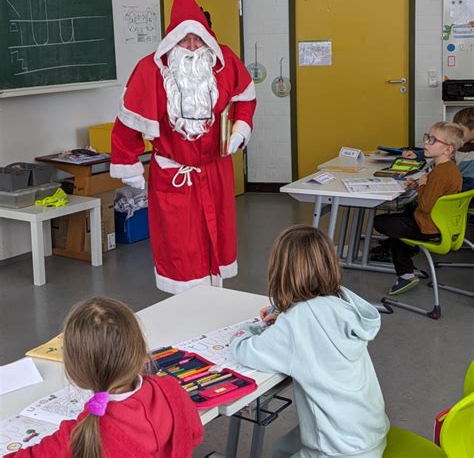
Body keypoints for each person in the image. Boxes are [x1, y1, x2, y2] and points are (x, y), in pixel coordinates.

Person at [111, 0, 256, 293]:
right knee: (180, 248)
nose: (191, 46)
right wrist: (129, 163)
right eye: (185, 38)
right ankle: (184, 312)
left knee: (215, 239)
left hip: (215, 171)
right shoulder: (150, 70)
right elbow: (127, 123)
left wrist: (240, 129)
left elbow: (246, 98)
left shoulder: (225, 62)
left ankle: (213, 306)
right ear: (172, 39)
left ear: (208, 38)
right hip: (173, 175)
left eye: (198, 38)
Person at [230, 225, 389, 458]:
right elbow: (310, 319)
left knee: (280, 451)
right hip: (367, 436)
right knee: (281, 449)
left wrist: (252, 327)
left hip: (337, 451)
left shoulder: (297, 321)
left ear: (280, 271)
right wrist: (282, 312)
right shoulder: (341, 301)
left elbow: (245, 352)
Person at [6, 297, 203, 458]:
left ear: (75, 371)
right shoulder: (171, 389)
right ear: (142, 352)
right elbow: (194, 434)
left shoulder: (80, 436)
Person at [374, 121, 463, 295]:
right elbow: (435, 197)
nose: (426, 143)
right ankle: (408, 263)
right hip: (442, 223)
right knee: (403, 217)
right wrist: (418, 187)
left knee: (383, 222)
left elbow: (426, 206)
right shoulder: (448, 169)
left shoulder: (439, 174)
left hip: (430, 226)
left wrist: (422, 185)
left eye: (433, 140)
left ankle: (406, 274)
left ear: (448, 149)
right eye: (427, 138)